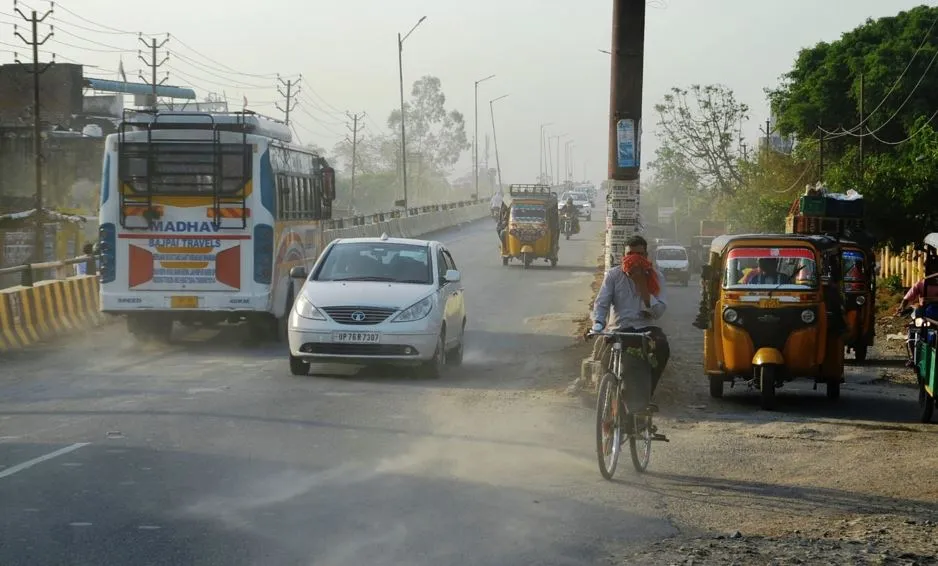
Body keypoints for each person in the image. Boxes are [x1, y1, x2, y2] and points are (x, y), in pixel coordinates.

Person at [588, 235, 670, 431]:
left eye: (639, 255)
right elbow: (602, 303)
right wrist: (598, 324)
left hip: (644, 328)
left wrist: (643, 288)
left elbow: (659, 312)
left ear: (646, 256)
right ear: (623, 257)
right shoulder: (614, 276)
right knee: (611, 366)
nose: (634, 259)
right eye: (630, 255)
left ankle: (644, 402)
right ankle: (611, 410)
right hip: (619, 329)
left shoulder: (656, 277)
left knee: (662, 347)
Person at [895, 272, 938, 366]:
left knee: (913, 330)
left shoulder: (921, 283)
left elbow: (907, 298)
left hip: (925, 313)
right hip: (928, 313)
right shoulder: (921, 283)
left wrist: (901, 308)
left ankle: (913, 358)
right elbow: (907, 298)